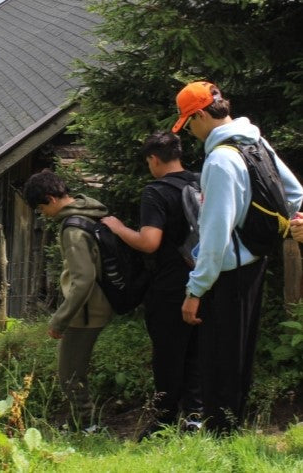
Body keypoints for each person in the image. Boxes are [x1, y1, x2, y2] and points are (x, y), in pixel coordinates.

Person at [173, 81, 303, 434]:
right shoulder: (254, 142)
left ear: (200, 115)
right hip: (256, 260)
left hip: (226, 273)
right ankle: (233, 427)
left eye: (188, 122)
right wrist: (285, 224)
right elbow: (295, 192)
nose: (191, 131)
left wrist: (195, 290)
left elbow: (214, 236)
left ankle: (220, 435)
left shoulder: (220, 160)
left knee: (218, 357)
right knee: (240, 352)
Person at [102, 132, 202, 435]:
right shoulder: (201, 181)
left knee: (168, 352)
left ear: (154, 159)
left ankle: (165, 419)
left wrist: (118, 228)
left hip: (171, 284)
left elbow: (149, 242)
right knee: (199, 348)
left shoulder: (156, 191)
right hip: (206, 277)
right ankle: (196, 416)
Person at [23, 169, 113, 430]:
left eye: (41, 208)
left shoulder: (72, 230)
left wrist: (59, 320)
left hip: (85, 311)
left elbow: (83, 279)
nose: (43, 214)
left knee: (70, 375)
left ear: (51, 199)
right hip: (96, 304)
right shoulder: (89, 213)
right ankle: (82, 424)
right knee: (74, 372)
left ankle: (86, 426)